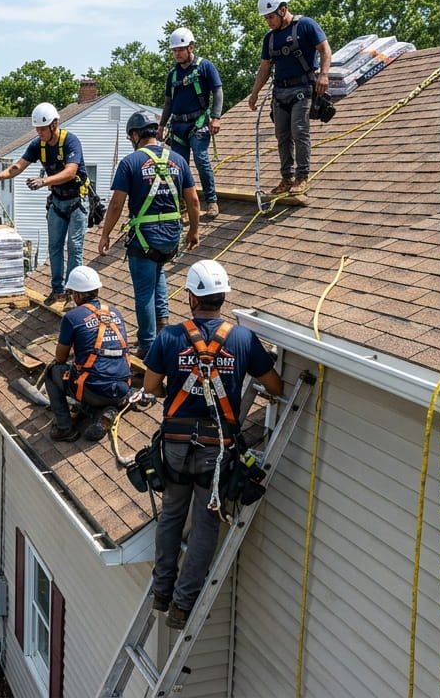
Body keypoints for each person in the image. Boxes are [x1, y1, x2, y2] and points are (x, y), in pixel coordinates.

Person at [142, 260, 284, 628]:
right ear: (224, 296)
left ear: (191, 298)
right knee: (205, 525)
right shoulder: (242, 339)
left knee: (172, 515)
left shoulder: (169, 337)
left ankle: (162, 591)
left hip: (174, 445)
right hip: (215, 450)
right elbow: (275, 385)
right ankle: (182, 607)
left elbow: (151, 387)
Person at [97, 110, 200, 358]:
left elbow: (116, 205)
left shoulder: (130, 163)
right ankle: (163, 327)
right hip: (170, 237)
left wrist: (105, 234)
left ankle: (147, 344)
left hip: (145, 238)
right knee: (158, 274)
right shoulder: (178, 160)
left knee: (144, 292)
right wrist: (194, 231)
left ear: (135, 135)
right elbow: (194, 200)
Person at [0, 102, 91, 305]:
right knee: (54, 247)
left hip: (76, 202)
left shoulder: (71, 141)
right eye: (37, 129)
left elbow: (71, 171)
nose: (39, 132)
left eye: (42, 128)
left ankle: (73, 295)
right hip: (57, 202)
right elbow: (17, 166)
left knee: (74, 247)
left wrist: (44, 181)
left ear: (54, 125)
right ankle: (57, 291)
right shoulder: (38, 145)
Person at [246, 0, 332, 195]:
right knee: (282, 136)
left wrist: (324, 74)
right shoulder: (270, 38)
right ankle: (287, 178)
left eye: (271, 17)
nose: (268, 21)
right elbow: (265, 67)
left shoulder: (306, 25)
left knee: (299, 131)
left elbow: (325, 49)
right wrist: (255, 92)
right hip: (280, 93)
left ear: (283, 9)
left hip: (302, 89)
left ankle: (302, 177)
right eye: (266, 18)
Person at [43, 266, 133, 442]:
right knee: (91, 375)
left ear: (76, 295)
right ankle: (103, 413)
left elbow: (60, 358)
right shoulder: (115, 312)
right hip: (122, 386)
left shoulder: (73, 317)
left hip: (94, 390)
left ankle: (64, 428)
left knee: (52, 373)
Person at [158, 27, 224, 219]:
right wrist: (162, 125)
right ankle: (183, 206)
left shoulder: (205, 67)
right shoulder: (173, 74)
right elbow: (168, 102)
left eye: (180, 49)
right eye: (174, 50)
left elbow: (217, 91)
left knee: (201, 159)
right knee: (177, 167)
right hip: (177, 126)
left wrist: (216, 116)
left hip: (199, 123)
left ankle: (211, 201)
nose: (177, 54)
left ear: (191, 47)